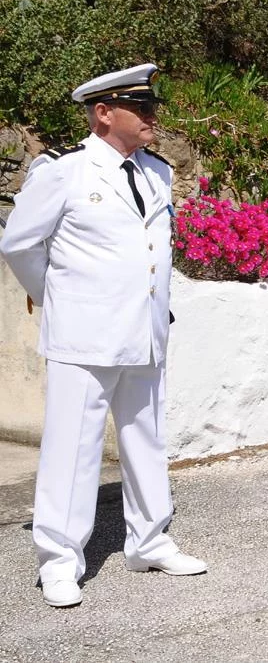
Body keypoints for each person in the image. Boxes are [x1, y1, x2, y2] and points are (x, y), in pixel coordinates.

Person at [0, 63, 206, 608]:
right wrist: (59, 299)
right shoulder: (64, 172)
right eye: (141, 108)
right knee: (73, 447)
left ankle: (149, 541)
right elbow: (19, 244)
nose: (152, 116)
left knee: (146, 438)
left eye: (152, 106)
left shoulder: (156, 172)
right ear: (103, 112)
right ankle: (59, 560)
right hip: (83, 333)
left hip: (145, 329)